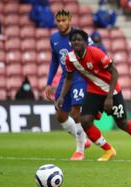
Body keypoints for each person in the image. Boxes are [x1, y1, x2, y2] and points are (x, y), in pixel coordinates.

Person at [56, 29, 131, 161]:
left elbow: (114, 71)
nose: (76, 42)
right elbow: (69, 78)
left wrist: (109, 98)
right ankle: (108, 150)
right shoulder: (70, 58)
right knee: (85, 121)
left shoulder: (96, 53)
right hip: (93, 91)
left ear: (86, 42)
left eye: (79, 39)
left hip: (111, 91)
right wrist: (62, 96)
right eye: (73, 40)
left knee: (122, 123)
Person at [45, 9, 109, 161]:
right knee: (60, 116)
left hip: (81, 76)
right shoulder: (54, 38)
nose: (61, 24)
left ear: (70, 20)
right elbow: (54, 61)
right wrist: (49, 82)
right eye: (58, 21)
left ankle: (80, 151)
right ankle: (84, 139)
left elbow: (96, 52)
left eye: (64, 20)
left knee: (76, 112)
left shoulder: (79, 36)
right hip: (66, 78)